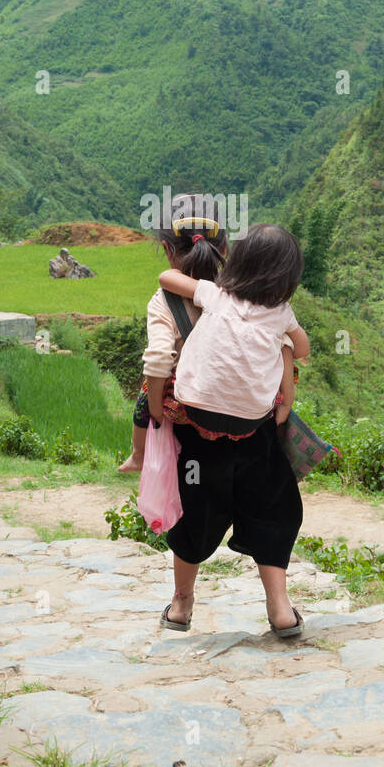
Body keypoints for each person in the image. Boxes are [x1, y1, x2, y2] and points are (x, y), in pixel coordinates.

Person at [154, 223, 310, 638]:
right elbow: (306, 351)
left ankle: (181, 606)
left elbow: (165, 278)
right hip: (253, 427)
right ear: (286, 278)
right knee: (274, 506)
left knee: (195, 512)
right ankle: (280, 610)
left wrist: (200, 285)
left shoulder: (216, 293)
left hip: (196, 421)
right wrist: (287, 342)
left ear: (236, 261)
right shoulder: (279, 312)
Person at [117, 196, 227, 474]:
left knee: (146, 391)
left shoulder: (165, 301)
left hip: (186, 410)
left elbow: (158, 361)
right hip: (239, 408)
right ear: (224, 247)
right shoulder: (239, 293)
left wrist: (156, 410)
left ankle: (138, 455)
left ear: (167, 249)